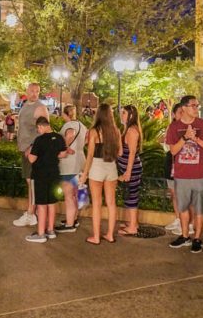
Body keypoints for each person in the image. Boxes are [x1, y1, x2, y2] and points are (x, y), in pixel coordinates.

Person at [165, 95, 203, 254]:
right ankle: (185, 236)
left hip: (199, 174)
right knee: (183, 208)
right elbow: (173, 150)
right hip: (181, 175)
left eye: (197, 106)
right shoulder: (174, 127)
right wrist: (185, 137)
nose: (196, 108)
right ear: (184, 108)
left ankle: (197, 238)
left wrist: (196, 139)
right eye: (193, 106)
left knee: (199, 208)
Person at [79, 103, 122, 245]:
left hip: (97, 167)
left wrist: (84, 174)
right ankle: (110, 234)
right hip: (111, 168)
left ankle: (96, 237)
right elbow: (120, 152)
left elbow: (90, 155)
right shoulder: (116, 131)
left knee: (97, 204)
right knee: (111, 203)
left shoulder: (94, 131)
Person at [13, 83, 50, 227]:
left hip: (33, 151)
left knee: (32, 182)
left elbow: (45, 130)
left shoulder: (40, 107)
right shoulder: (25, 105)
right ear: (27, 91)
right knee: (30, 181)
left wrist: (33, 147)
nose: (34, 93)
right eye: (32, 91)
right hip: (25, 149)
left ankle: (31, 213)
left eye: (37, 91)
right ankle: (32, 212)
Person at [26, 116, 68, 243]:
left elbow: (32, 159)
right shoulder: (59, 137)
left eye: (38, 129)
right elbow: (63, 154)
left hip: (40, 175)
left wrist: (29, 151)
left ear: (40, 126)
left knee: (41, 204)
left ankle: (40, 233)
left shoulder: (39, 140)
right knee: (52, 203)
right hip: (54, 173)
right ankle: (50, 230)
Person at [163, 103, 193, 236]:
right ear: (174, 115)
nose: (182, 114)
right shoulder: (172, 128)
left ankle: (189, 224)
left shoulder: (190, 128)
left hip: (185, 166)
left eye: (183, 112)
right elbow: (169, 147)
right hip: (172, 163)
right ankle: (178, 219)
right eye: (179, 112)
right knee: (174, 193)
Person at [55, 105, 86, 233]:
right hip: (80, 162)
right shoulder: (82, 126)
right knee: (75, 193)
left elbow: (70, 134)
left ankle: (69, 225)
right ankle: (73, 218)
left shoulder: (69, 126)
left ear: (65, 114)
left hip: (69, 164)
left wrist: (65, 148)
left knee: (68, 195)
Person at [117, 105, 143, 236]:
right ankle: (133, 222)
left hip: (131, 169)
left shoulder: (132, 131)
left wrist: (128, 172)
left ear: (131, 116)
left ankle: (132, 227)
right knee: (129, 195)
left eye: (124, 113)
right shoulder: (127, 129)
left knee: (131, 196)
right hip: (128, 168)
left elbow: (132, 152)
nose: (121, 115)